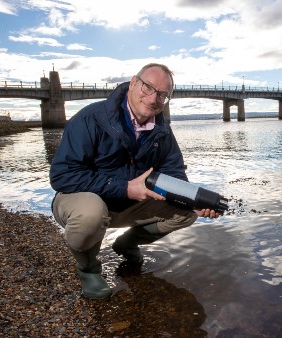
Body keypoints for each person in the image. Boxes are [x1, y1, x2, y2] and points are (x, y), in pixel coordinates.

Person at [50, 63, 220, 299]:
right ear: (132, 83)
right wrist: (126, 188)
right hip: (79, 201)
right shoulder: (90, 118)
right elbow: (62, 175)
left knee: (186, 213)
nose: (152, 98)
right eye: (148, 87)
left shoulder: (162, 131)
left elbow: (174, 172)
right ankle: (88, 268)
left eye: (162, 95)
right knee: (91, 212)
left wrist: (192, 200)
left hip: (128, 204)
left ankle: (127, 243)